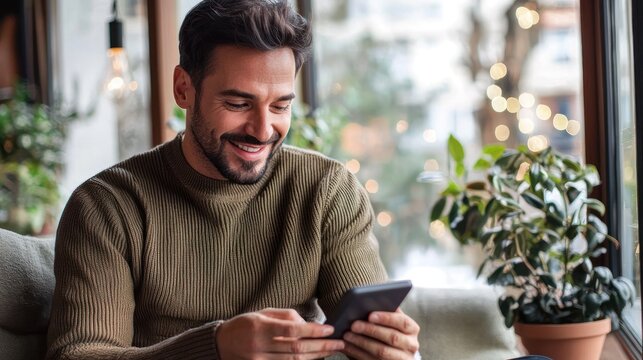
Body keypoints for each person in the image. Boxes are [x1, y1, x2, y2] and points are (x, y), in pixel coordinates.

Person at [46, 0, 420, 359]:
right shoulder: (106, 205)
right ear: (183, 89)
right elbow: (78, 354)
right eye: (238, 104)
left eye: (280, 106)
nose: (262, 130)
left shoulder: (325, 189)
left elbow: (368, 330)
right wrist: (217, 347)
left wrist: (394, 348)